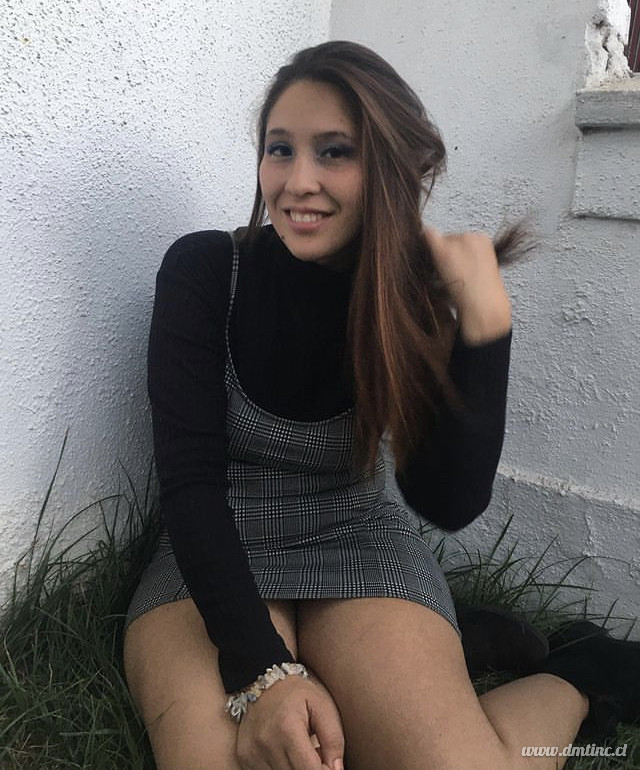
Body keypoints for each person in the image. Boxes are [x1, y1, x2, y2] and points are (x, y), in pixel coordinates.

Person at [123, 41, 639, 770]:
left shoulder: (406, 301)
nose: (298, 181)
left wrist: (485, 326)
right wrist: (264, 673)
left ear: (389, 169)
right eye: (280, 149)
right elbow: (188, 484)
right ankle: (445, 645)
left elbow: (446, 501)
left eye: (335, 152)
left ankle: (583, 672)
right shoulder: (204, 270)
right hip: (213, 547)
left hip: (355, 539)